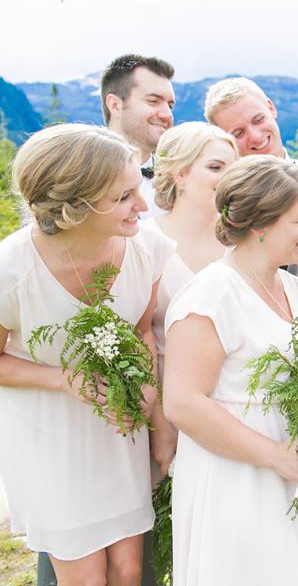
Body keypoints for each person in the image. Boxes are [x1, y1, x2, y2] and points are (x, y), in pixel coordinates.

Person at [162, 156, 298, 585]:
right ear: (260, 223)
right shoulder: (210, 294)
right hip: (237, 475)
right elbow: (183, 403)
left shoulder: (291, 285)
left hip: (293, 467)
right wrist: (277, 457)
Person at [0, 124, 173, 585]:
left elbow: (142, 333)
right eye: (123, 197)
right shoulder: (12, 269)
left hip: (119, 436)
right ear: (73, 208)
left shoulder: (147, 248)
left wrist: (151, 407)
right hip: (49, 440)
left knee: (129, 571)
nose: (143, 205)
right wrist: (63, 379)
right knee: (86, 577)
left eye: (140, 186)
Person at [143, 122, 239, 479]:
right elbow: (141, 336)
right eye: (215, 167)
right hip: (170, 397)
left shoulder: (240, 240)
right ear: (180, 173)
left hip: (237, 396)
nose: (227, 177)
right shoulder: (144, 242)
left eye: (232, 168)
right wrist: (160, 424)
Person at [100, 54, 177, 219]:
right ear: (115, 105)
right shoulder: (83, 177)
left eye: (170, 105)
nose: (167, 114)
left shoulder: (179, 181)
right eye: (153, 101)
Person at [203, 77, 298, 169]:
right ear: (225, 141)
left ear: (271, 108)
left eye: (258, 120)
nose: (256, 137)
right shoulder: (224, 192)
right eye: (238, 133)